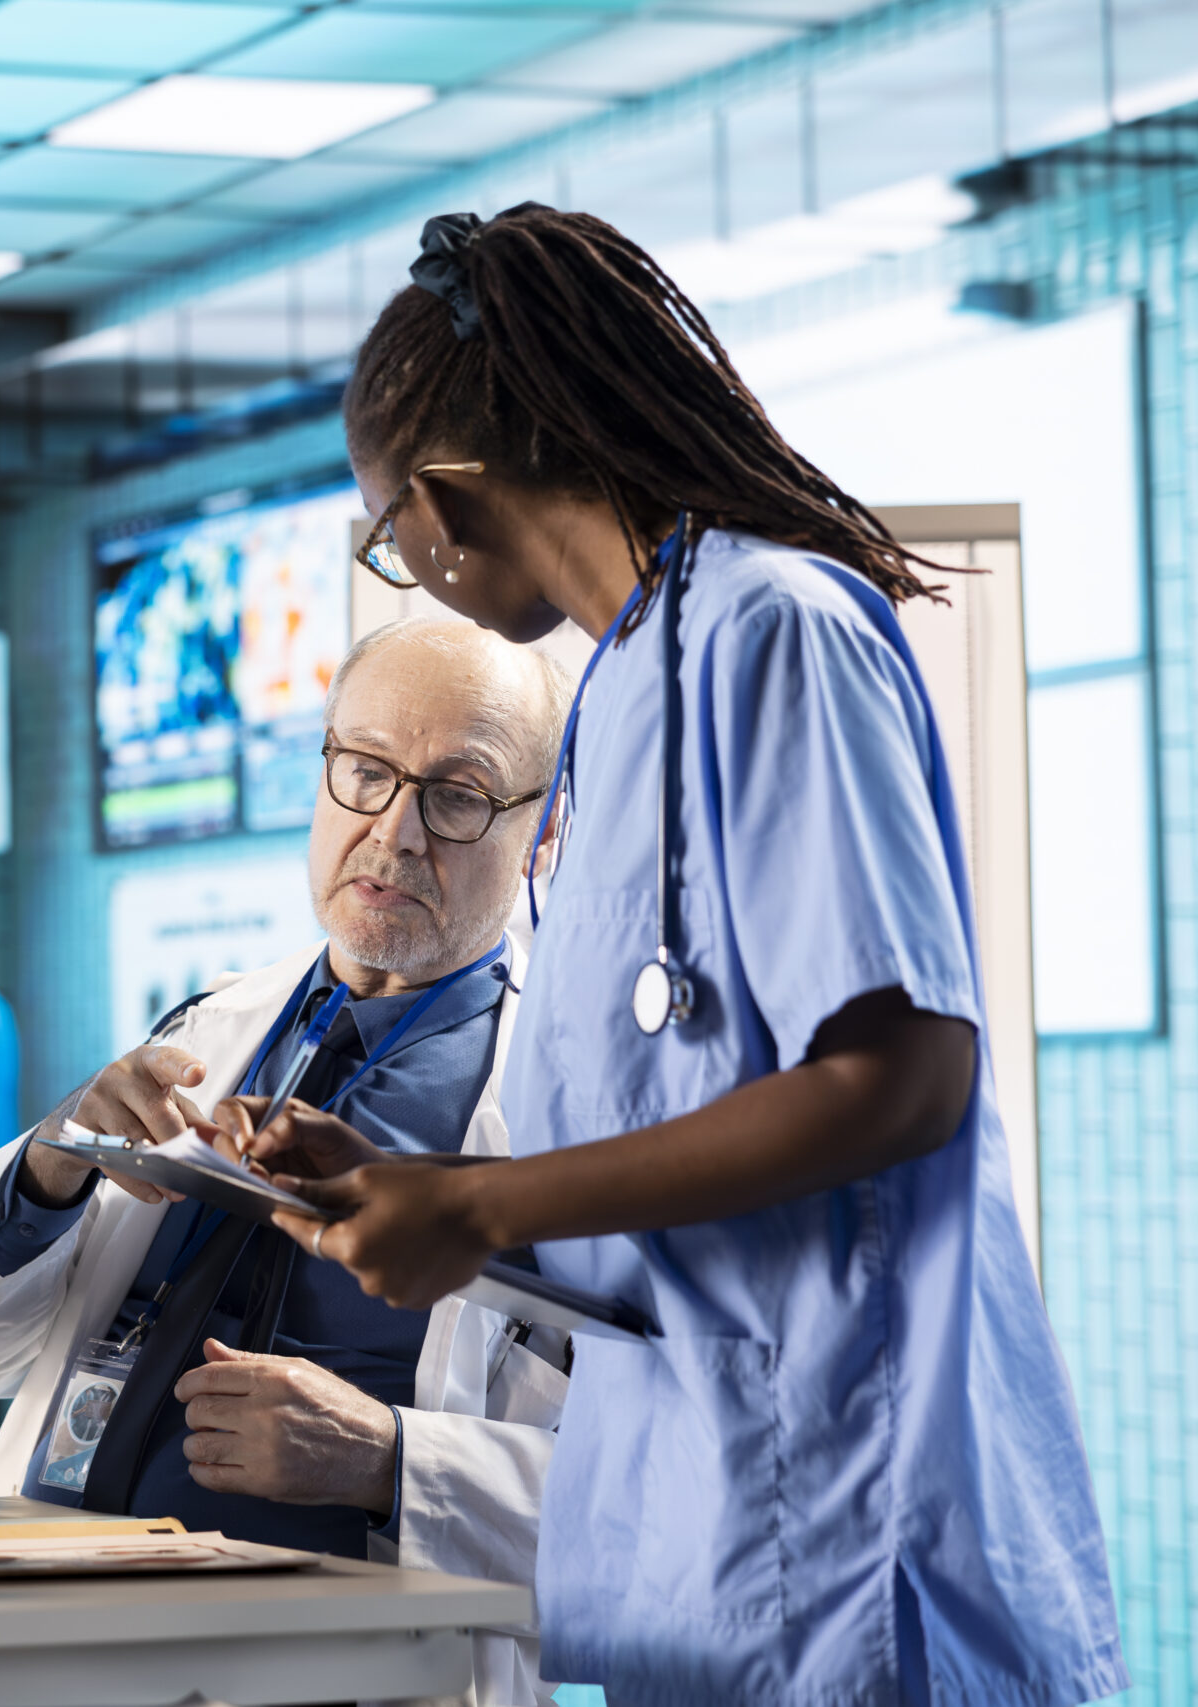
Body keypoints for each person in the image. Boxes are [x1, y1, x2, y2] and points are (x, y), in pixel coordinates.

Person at [260, 203, 1124, 1706]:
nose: (409, 563)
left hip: (864, 1534)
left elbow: (904, 1074)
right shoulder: (617, 691)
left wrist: (478, 1199)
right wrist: (426, 1206)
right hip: (710, 1549)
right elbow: (667, 1169)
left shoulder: (777, 629)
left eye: (384, 532)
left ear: (445, 501)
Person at [0, 618, 572, 1705]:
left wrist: (388, 1458)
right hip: (67, 1635)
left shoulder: (575, 1116)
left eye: (457, 796)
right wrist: (54, 1162)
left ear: (541, 834)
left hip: (356, 1671)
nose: (395, 834)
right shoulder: (209, 1028)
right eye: (365, 772)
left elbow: (671, 1496)